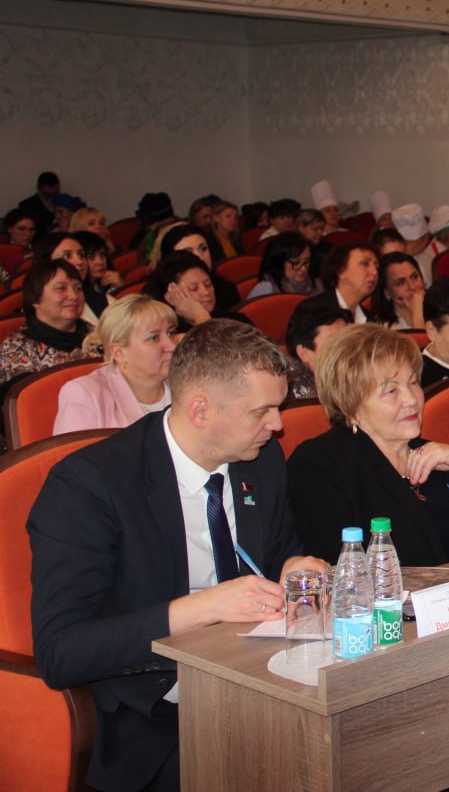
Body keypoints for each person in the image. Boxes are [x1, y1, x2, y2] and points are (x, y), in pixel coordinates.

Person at [29, 319, 326, 792]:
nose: (278, 424)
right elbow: (61, 652)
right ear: (200, 409)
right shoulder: (90, 484)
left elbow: (278, 552)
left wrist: (293, 568)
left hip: (265, 679)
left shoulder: (261, 459)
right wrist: (203, 608)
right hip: (158, 712)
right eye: (262, 411)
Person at [287, 323, 449, 564]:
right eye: (391, 391)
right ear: (351, 405)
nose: (412, 399)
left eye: (413, 383)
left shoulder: (436, 455)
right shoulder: (320, 466)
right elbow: (340, 570)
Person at [54, 295, 179, 434]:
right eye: (154, 338)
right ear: (119, 353)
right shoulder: (85, 396)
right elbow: (75, 449)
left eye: (171, 333)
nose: (172, 346)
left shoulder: (187, 382)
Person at [0, 260, 94, 391]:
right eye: (61, 289)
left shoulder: (99, 335)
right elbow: (28, 400)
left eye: (78, 288)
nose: (74, 296)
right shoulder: (17, 348)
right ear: (35, 299)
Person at [143, 252, 249, 334]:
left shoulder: (237, 321)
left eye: (208, 284)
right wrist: (199, 315)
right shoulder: (172, 337)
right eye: (194, 288)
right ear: (171, 297)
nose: (205, 292)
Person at [156, 223, 242, 311]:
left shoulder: (226, 289)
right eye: (188, 253)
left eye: (203, 249)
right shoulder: (158, 305)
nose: (200, 257)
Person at [282, 300, 351, 401]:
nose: (345, 349)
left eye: (347, 340)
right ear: (304, 353)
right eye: (333, 343)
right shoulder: (291, 394)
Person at [306, 241, 379, 324]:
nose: (374, 272)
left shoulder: (370, 321)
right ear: (341, 271)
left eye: (377, 267)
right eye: (365, 264)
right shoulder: (313, 311)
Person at [248, 232, 319, 299]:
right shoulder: (265, 289)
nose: (304, 268)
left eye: (306, 262)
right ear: (279, 262)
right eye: (296, 262)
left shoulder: (317, 283)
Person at [72, 231, 121, 321]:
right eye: (91, 257)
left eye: (102, 255)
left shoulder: (107, 284)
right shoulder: (79, 294)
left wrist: (121, 288)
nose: (100, 262)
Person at [370, 251, 426, 330]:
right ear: (387, 292)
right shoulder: (382, 329)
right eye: (400, 283)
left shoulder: (440, 310)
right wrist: (417, 312)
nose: (412, 287)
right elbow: (420, 338)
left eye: (414, 277)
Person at [17, 170, 59, 235]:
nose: (51, 197)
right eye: (47, 194)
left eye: (55, 193)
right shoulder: (27, 206)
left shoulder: (64, 202)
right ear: (39, 188)